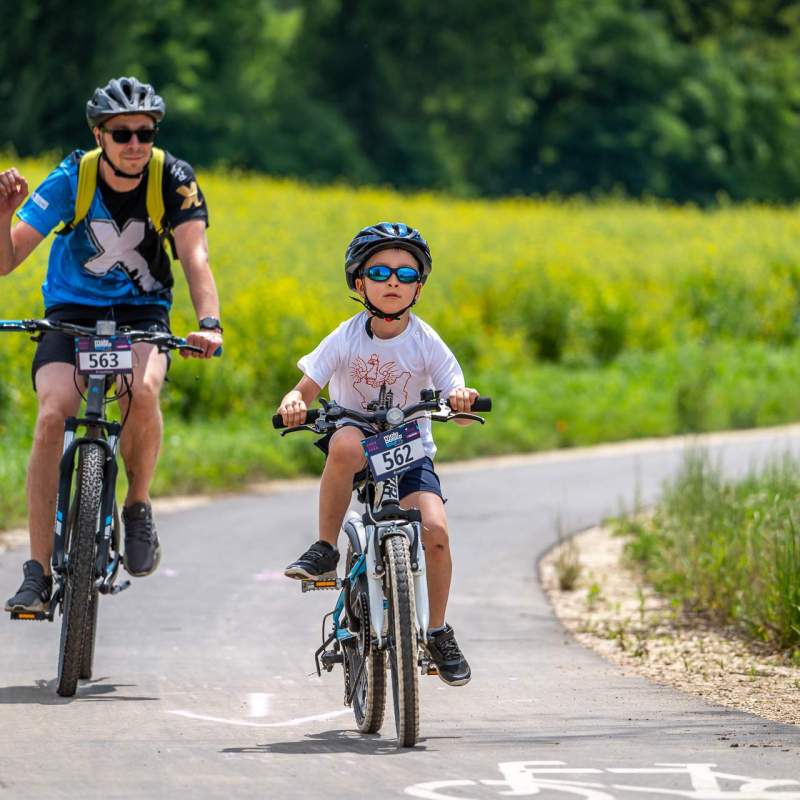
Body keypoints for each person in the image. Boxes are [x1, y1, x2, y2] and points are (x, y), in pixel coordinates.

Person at [0, 76, 223, 614]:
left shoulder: (173, 179)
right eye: (121, 133)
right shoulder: (70, 178)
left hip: (142, 311)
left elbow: (195, 258)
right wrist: (4, 212)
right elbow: (7, 261)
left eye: (145, 132)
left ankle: (138, 504)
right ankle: (36, 569)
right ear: (99, 134)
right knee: (53, 413)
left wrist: (209, 322)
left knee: (142, 390)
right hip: (72, 310)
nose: (134, 144)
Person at [277, 222, 480, 686]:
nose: (393, 282)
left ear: (419, 288)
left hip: (409, 455)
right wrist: (294, 401)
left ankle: (437, 630)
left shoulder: (427, 341)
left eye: (406, 275)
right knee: (346, 441)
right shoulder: (346, 337)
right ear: (359, 282)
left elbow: (457, 400)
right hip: (358, 447)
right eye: (381, 271)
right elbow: (307, 386)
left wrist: (463, 400)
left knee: (435, 530)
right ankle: (326, 547)